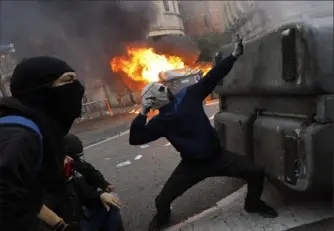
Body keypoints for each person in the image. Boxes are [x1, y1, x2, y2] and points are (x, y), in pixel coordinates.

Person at [129, 38, 278, 231]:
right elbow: (136, 138)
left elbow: (212, 77)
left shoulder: (188, 96)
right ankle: (163, 217)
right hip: (191, 166)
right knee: (162, 200)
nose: (166, 89)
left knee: (256, 172)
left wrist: (233, 57)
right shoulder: (161, 122)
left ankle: (253, 204)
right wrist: (142, 113)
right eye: (162, 89)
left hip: (217, 157)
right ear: (155, 99)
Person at [0, 56, 85, 231]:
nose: (78, 87)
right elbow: (6, 198)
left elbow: (24, 194)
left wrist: (58, 224)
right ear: (39, 90)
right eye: (68, 80)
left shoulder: (40, 128)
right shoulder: (20, 136)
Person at [44, 134, 124, 231]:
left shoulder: (70, 176)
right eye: (65, 157)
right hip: (72, 226)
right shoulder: (47, 184)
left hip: (80, 219)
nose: (71, 160)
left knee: (112, 199)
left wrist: (101, 194)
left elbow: (86, 192)